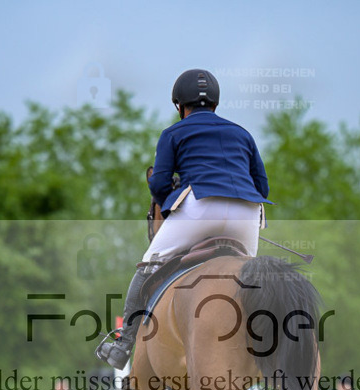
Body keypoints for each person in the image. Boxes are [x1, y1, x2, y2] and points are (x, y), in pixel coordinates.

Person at [96, 69, 271, 370]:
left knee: (148, 264)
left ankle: (123, 345)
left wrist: (172, 205)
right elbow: (262, 187)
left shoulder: (173, 133)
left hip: (200, 208)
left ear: (180, 106)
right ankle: (266, 342)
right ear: (215, 103)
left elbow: (159, 182)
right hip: (247, 211)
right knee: (251, 278)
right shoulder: (243, 133)